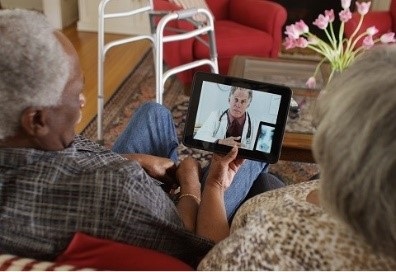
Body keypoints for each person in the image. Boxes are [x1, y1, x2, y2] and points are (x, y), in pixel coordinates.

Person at [0, 9, 283, 268]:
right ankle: (261, 192)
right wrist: (198, 181)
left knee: (153, 112)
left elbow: (64, 168)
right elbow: (199, 246)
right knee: (255, 164)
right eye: (75, 92)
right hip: (175, 226)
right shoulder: (119, 186)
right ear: (36, 120)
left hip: (113, 200)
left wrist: (134, 160)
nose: (83, 101)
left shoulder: (23, 159)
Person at [198, 44, 396, 270]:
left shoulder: (265, 245)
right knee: (266, 181)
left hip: (237, 231)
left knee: (256, 162)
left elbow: (208, 255)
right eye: (235, 100)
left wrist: (213, 184)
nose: (238, 104)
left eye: (243, 101)